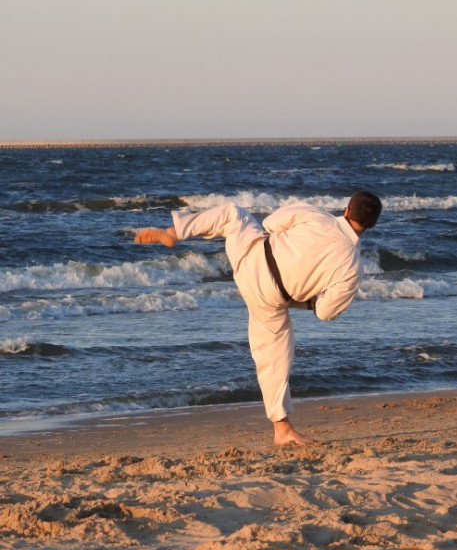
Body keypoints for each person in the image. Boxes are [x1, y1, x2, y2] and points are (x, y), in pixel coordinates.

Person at [134, 190, 382, 446]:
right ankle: (282, 429)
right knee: (275, 359)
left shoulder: (316, 216)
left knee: (232, 214)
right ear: (372, 225)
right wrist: (302, 297)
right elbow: (325, 312)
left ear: (347, 210)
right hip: (270, 298)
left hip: (251, 255)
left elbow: (270, 223)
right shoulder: (353, 268)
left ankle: (175, 231)